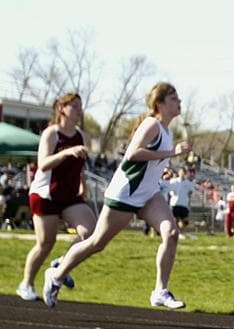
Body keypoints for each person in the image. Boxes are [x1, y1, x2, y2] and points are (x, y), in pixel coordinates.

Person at [42, 82, 192, 309]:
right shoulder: (152, 124)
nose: (179, 102)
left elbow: (151, 160)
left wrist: (163, 162)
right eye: (173, 98)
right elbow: (132, 154)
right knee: (97, 243)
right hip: (126, 194)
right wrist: (172, 153)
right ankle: (56, 274)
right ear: (160, 104)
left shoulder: (167, 131)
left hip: (149, 194)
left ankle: (160, 291)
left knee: (171, 234)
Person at [17, 92, 97, 302]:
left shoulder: (82, 136)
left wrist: (83, 185)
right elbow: (43, 164)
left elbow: (80, 166)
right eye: (74, 106)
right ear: (62, 108)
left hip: (70, 195)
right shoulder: (51, 134)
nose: (79, 111)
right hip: (46, 194)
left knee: (91, 232)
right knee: (46, 243)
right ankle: (26, 284)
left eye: (80, 106)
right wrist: (66, 152)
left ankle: (62, 264)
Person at [168, 166, 197, 239]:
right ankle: (177, 233)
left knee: (184, 220)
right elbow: (170, 190)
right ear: (178, 173)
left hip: (184, 203)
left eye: (184, 172)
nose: (182, 174)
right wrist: (172, 193)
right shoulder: (174, 181)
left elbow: (191, 191)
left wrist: (189, 195)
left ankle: (180, 233)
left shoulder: (188, 183)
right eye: (181, 172)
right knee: (177, 219)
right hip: (175, 203)